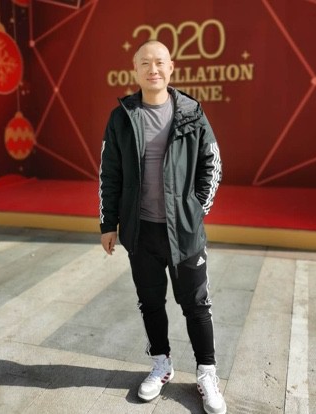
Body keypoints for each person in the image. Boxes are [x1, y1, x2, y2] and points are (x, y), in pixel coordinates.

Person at [98, 40, 226, 414]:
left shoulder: (191, 113)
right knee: (151, 302)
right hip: (141, 233)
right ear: (135, 70)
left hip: (183, 233)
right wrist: (109, 223)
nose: (152, 69)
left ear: (171, 69)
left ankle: (207, 373)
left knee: (196, 305)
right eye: (145, 63)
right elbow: (110, 173)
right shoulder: (122, 117)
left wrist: (195, 211)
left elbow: (212, 164)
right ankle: (161, 364)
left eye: (159, 63)